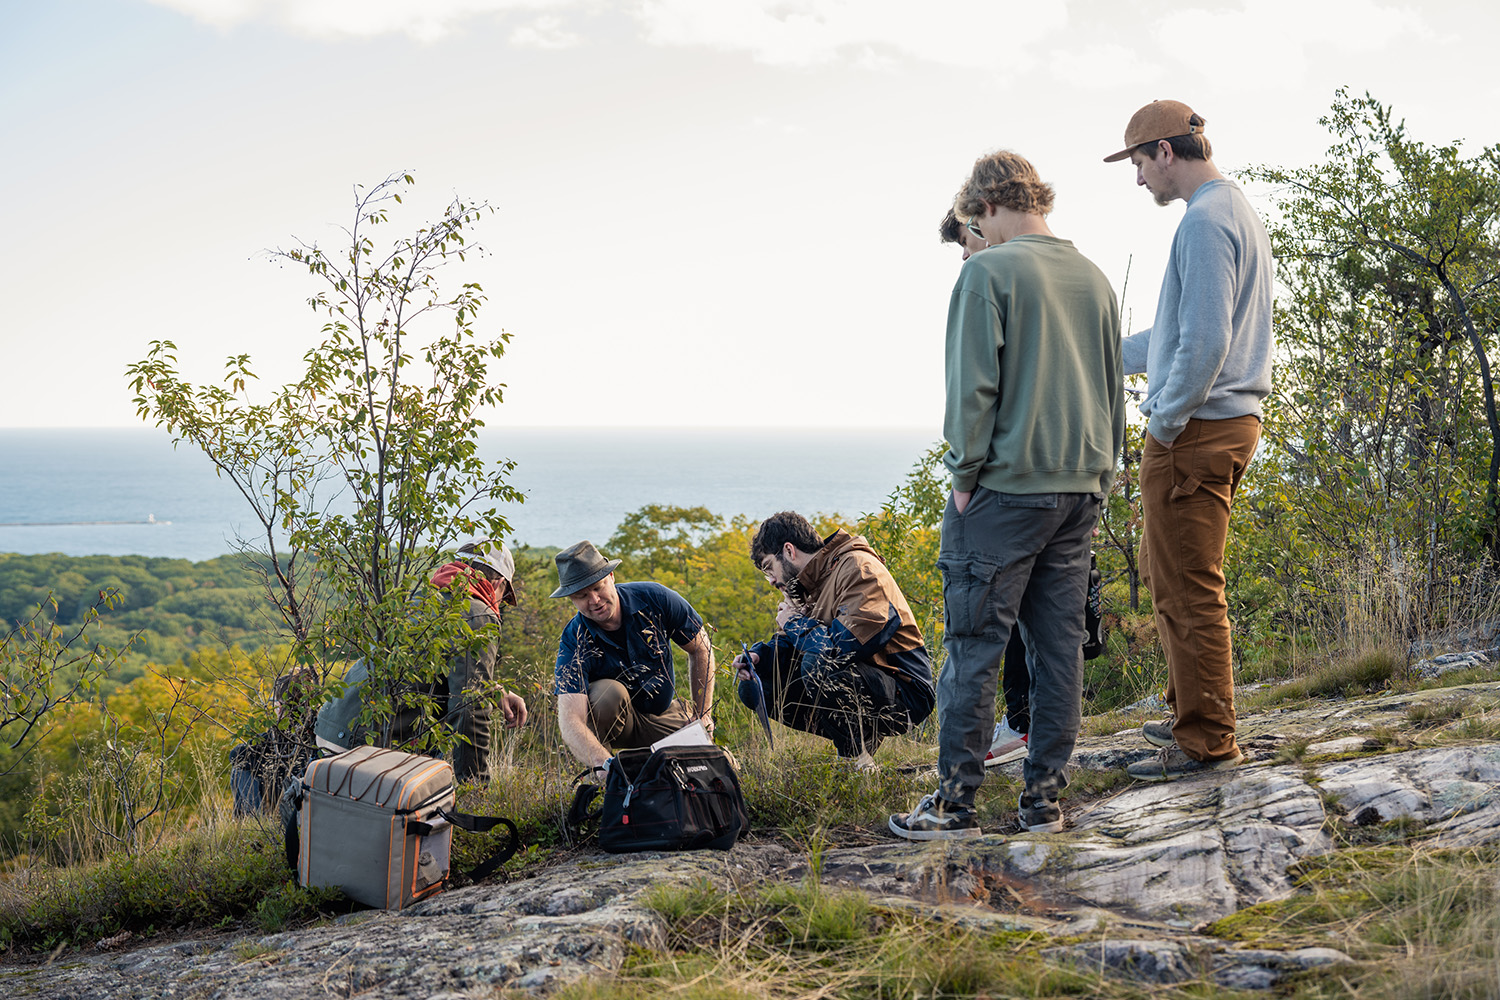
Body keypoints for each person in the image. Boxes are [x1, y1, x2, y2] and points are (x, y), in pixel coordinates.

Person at [891, 150, 1123, 840]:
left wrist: (963, 482)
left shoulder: (988, 273)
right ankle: (1043, 807)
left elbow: (973, 391)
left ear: (986, 205)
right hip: (1079, 490)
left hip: (1003, 494)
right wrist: (1100, 479)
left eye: (973, 224)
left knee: (972, 649)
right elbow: (1112, 393)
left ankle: (954, 807)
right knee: (1059, 655)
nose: (975, 238)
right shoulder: (1094, 277)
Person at [1103, 101, 1273, 782]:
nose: (1138, 179)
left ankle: (1205, 741)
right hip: (1219, 424)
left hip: (1197, 431)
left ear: (1165, 152)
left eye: (1139, 163)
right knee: (1170, 573)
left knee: (1191, 586)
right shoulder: (1228, 212)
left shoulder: (1205, 222)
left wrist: (1164, 423)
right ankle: (1189, 708)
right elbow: (1174, 335)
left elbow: (1205, 345)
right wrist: (1095, 351)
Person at [732, 512, 936, 769]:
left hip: (905, 692)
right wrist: (760, 657)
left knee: (818, 665)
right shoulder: (807, 585)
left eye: (769, 567)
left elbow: (841, 649)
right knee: (757, 683)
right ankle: (857, 744)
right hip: (865, 680)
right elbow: (796, 644)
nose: (771, 580)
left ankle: (855, 761)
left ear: (789, 550)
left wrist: (794, 622)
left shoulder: (859, 568)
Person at [314, 539, 529, 782]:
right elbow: (470, 708)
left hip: (332, 728)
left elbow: (432, 669)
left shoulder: (422, 595)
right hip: (366, 748)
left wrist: (494, 690)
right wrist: (475, 787)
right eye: (503, 597)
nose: (499, 605)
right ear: (498, 584)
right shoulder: (478, 612)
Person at [551, 540, 716, 770]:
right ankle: (608, 776)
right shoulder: (574, 639)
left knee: (715, 763)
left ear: (611, 578)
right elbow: (570, 720)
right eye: (582, 596)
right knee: (607, 695)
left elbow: (701, 647)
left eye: (598, 587)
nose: (594, 601)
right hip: (616, 727)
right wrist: (606, 767)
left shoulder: (656, 599)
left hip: (663, 714)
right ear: (572, 600)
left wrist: (702, 715)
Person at [230, 666, 319, 815]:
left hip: (286, 795)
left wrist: (259, 762)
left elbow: (236, 754)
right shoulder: (315, 725)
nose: (276, 707)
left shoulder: (280, 732)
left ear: (284, 704)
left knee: (239, 769)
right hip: (308, 796)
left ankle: (256, 820)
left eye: (277, 702)